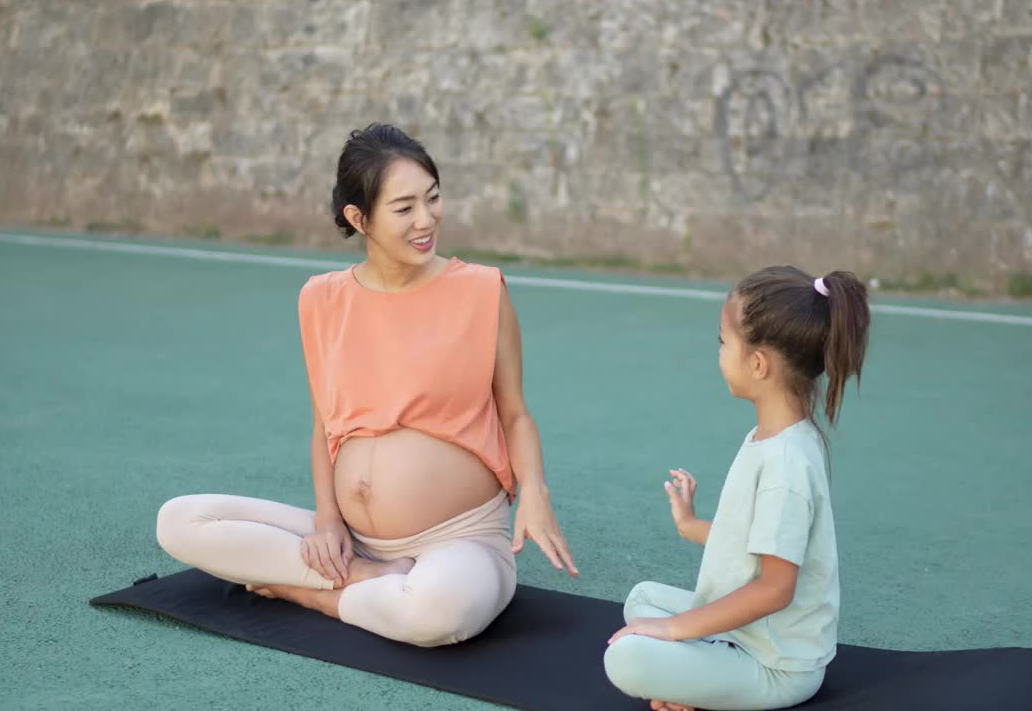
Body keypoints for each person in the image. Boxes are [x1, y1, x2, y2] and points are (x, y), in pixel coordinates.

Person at [156, 123, 578, 648]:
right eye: (404, 208)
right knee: (179, 521)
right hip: (355, 540)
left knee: (437, 614)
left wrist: (534, 491)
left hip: (462, 538)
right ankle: (366, 578)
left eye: (433, 198)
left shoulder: (481, 289)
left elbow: (514, 413)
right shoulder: (320, 299)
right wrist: (328, 524)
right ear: (359, 218)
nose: (426, 220)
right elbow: (324, 426)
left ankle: (313, 595)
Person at [603, 267, 870, 710]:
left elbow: (775, 588)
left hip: (777, 665)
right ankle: (693, 676)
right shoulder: (770, 438)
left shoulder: (786, 464)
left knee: (625, 659)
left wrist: (674, 630)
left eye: (724, 342)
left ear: (758, 364)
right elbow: (753, 546)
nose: (720, 353)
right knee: (643, 598)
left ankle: (693, 680)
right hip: (745, 634)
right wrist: (691, 526)